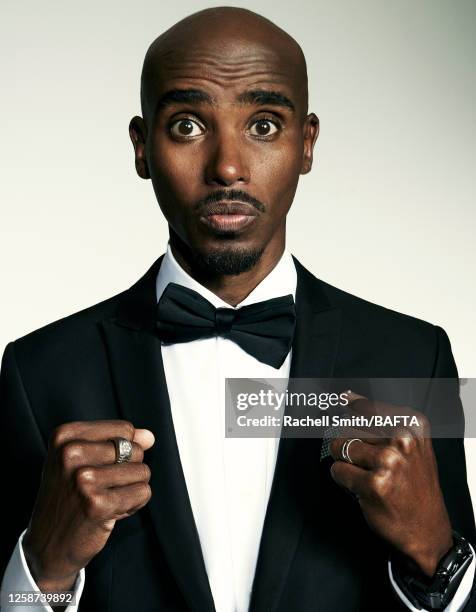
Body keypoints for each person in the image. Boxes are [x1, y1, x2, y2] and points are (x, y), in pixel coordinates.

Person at [1, 6, 475, 612]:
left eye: (264, 126)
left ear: (307, 144)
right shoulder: (36, 372)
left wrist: (437, 552)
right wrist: (41, 567)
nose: (227, 166)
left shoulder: (418, 357)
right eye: (188, 126)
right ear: (142, 148)